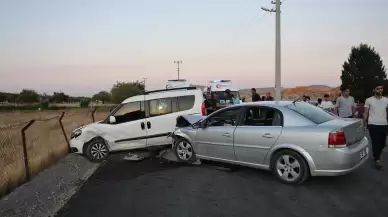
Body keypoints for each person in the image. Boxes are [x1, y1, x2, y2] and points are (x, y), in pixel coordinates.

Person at [363, 83, 388, 169]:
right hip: (373, 124)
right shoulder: (369, 100)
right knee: (375, 142)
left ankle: (375, 155)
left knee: (383, 143)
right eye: (378, 88)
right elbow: (365, 113)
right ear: (374, 90)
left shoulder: (386, 100)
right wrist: (364, 124)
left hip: (384, 124)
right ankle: (377, 160)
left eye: (381, 88)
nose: (380, 90)